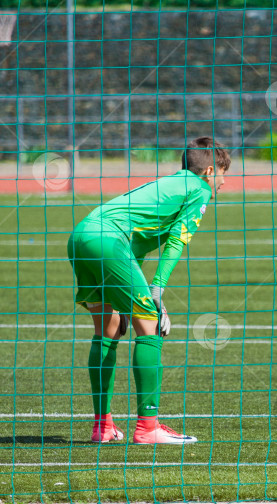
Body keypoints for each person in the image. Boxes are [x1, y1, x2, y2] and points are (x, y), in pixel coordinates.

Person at [67, 137, 230, 443]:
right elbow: (177, 240)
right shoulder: (199, 189)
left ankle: (103, 427)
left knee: (108, 329)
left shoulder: (171, 184)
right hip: (108, 242)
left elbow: (136, 246)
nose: (223, 182)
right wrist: (156, 291)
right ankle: (148, 427)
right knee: (149, 324)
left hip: (82, 236)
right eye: (223, 173)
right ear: (210, 171)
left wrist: (132, 296)